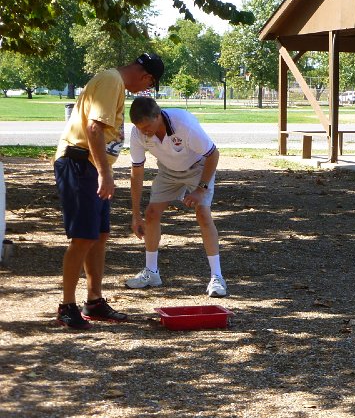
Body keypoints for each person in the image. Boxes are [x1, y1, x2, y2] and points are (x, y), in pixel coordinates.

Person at [53, 52, 164, 329]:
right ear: (146, 76)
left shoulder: (115, 83)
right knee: (82, 237)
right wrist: (104, 173)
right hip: (80, 163)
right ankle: (67, 306)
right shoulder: (111, 81)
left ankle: (94, 300)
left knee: (99, 235)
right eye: (150, 84)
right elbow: (93, 128)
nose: (145, 90)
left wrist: (105, 171)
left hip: (93, 166)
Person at [125, 97, 227, 297]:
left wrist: (200, 189)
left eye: (147, 126)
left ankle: (217, 277)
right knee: (151, 213)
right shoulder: (138, 133)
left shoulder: (184, 124)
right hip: (168, 171)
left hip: (198, 168)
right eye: (140, 127)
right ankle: (151, 272)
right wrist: (135, 214)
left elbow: (213, 154)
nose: (144, 132)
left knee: (203, 214)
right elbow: (136, 172)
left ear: (158, 115)